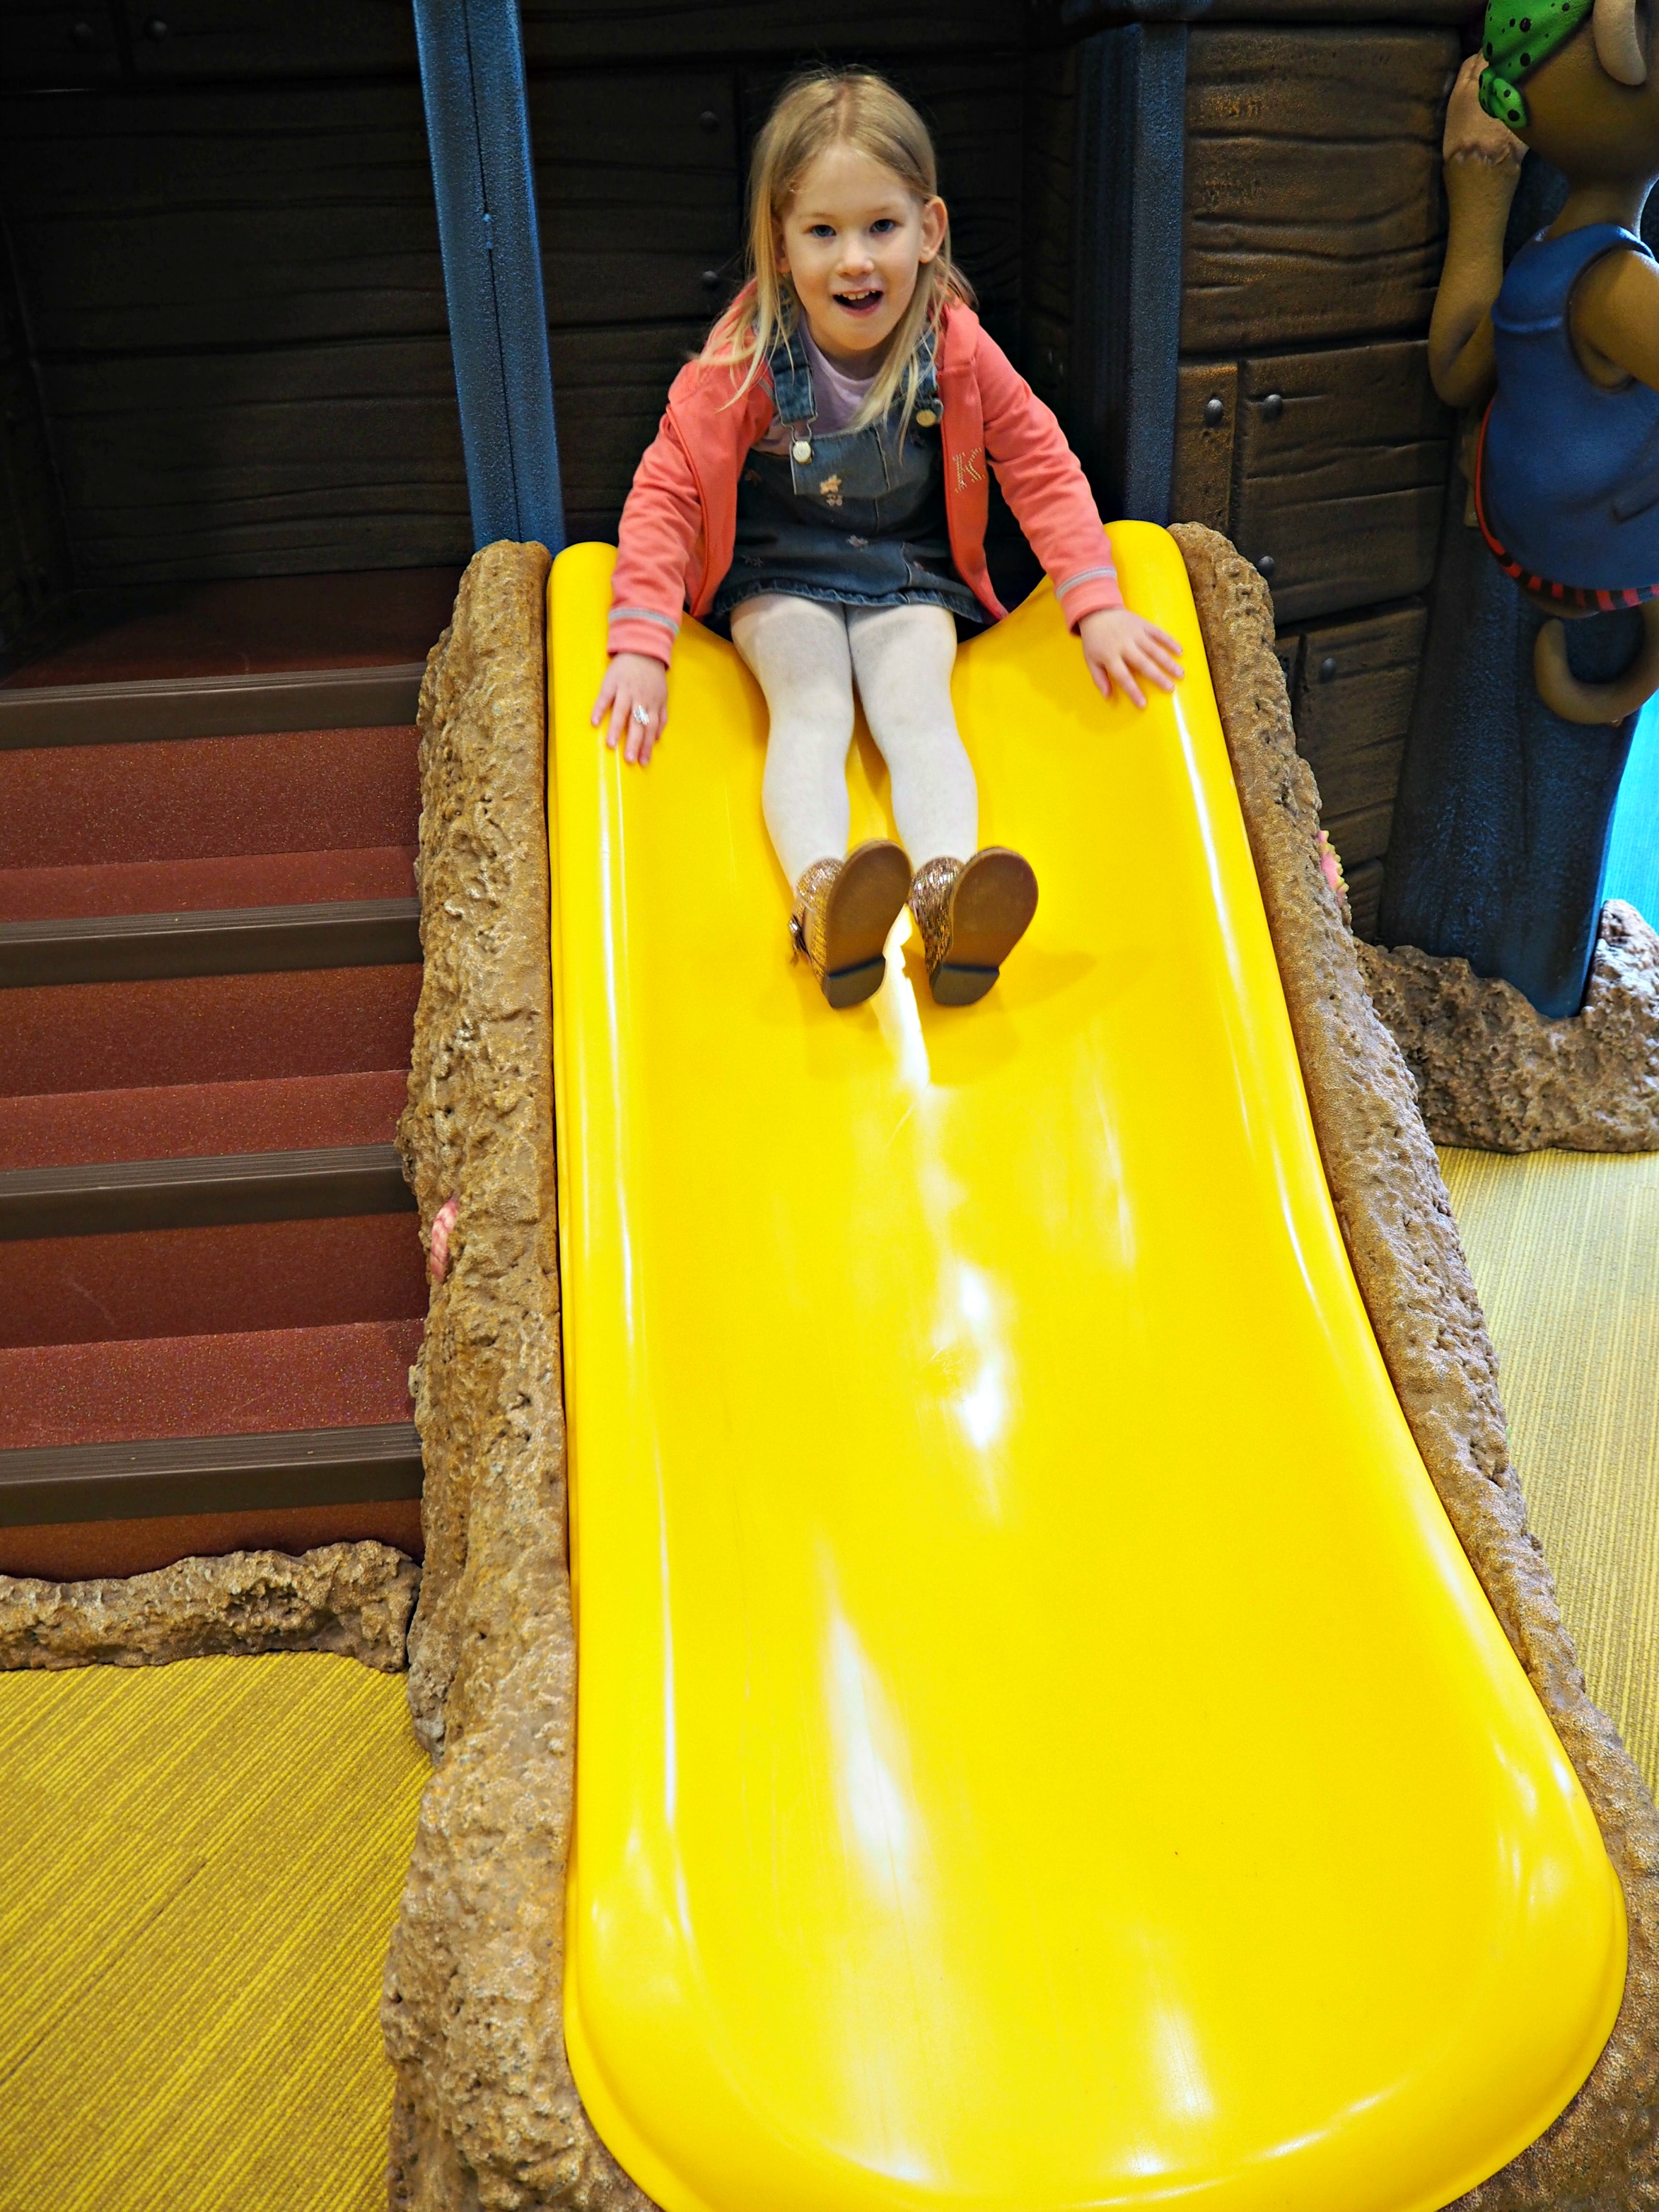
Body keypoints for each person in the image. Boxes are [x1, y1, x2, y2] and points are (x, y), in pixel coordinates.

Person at [593, 67, 1182, 1008]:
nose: (854, 260)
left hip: (910, 573)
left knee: (918, 714)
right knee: (814, 711)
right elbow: (665, 492)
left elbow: (1038, 462)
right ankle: (822, 900)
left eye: (880, 227)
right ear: (780, 248)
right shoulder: (747, 357)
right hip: (778, 574)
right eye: (821, 233)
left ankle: (946, 897)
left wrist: (1095, 602)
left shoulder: (954, 348)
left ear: (929, 229)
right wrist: (641, 644)